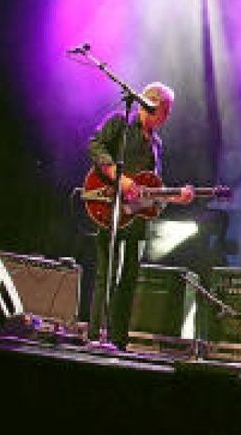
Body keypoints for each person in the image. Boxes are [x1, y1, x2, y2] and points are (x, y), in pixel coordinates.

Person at [87, 82, 193, 349]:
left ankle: (118, 341)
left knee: (129, 280)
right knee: (106, 274)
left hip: (136, 219)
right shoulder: (120, 123)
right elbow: (95, 146)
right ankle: (94, 336)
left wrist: (174, 198)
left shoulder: (156, 144)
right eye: (166, 110)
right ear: (152, 104)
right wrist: (117, 178)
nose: (167, 117)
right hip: (110, 208)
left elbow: (153, 189)